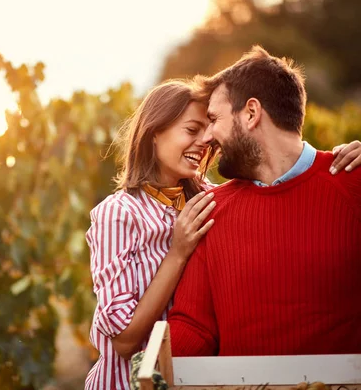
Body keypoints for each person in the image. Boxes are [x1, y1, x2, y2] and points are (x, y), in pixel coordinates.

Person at [85, 76, 361, 388]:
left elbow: (279, 176)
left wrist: (346, 156)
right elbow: (123, 342)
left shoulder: (207, 199)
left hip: (187, 377)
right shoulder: (119, 212)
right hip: (128, 380)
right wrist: (177, 253)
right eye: (192, 130)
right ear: (154, 133)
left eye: (210, 128)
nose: (206, 140)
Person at [167, 46, 361, 357]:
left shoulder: (353, 184)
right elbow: (194, 326)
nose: (207, 138)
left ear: (251, 113)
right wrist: (152, 368)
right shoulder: (211, 209)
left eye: (214, 119)